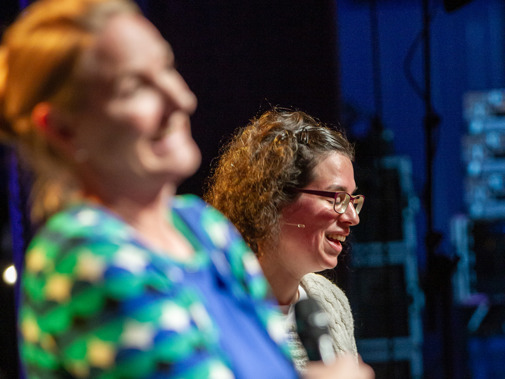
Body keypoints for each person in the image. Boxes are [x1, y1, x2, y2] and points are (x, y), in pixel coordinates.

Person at [0, 0, 373, 378]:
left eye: (166, 68)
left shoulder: (201, 228)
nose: (180, 99)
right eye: (135, 87)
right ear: (62, 130)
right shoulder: (82, 255)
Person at [205, 108, 363, 371]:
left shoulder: (330, 300)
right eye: (336, 198)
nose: (352, 217)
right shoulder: (216, 305)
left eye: (353, 200)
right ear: (273, 198)